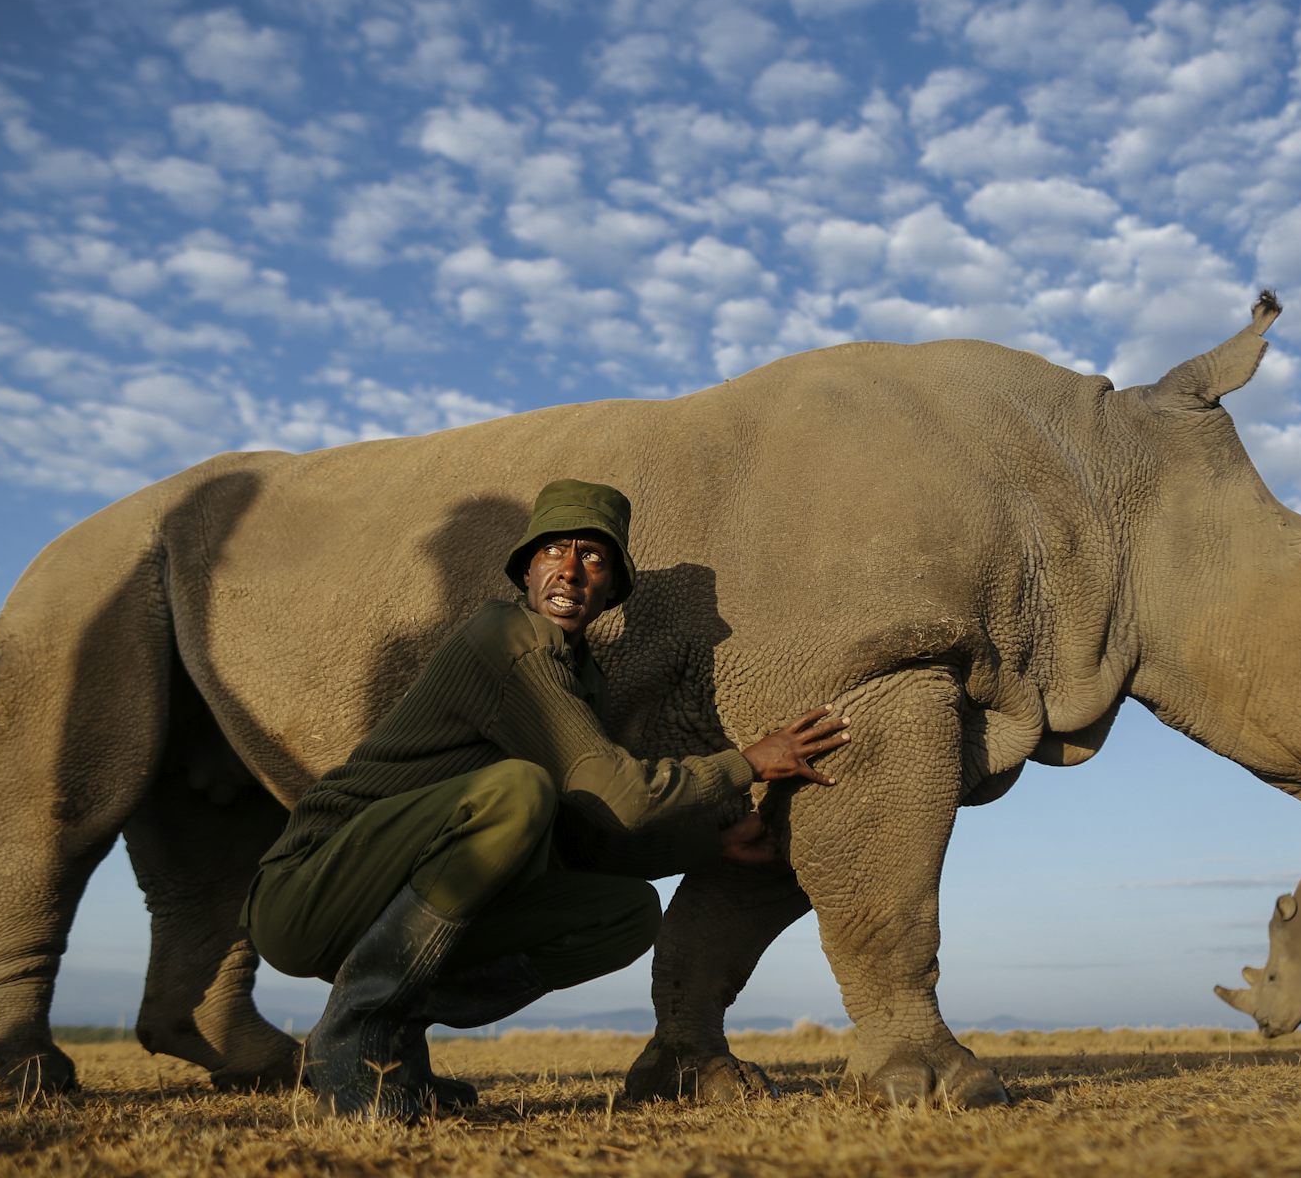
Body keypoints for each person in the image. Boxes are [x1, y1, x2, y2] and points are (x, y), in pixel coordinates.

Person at [241, 478, 848, 1120]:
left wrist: (711, 842)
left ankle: (390, 1043)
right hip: (306, 890)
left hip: (381, 913)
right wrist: (746, 763)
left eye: (593, 556)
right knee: (518, 792)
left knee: (625, 914)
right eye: (554, 549)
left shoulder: (580, 677)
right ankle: (350, 1035)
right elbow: (618, 790)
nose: (570, 569)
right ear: (526, 570)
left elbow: (591, 831)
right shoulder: (505, 637)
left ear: (611, 586)